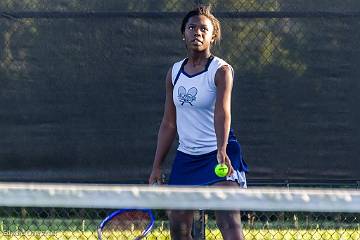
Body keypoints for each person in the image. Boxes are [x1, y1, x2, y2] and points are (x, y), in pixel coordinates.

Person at [149, 5, 248, 240]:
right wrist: (156, 166)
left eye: (204, 29)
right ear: (183, 33)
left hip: (219, 154)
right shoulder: (174, 72)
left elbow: (223, 112)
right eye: (192, 27)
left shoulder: (221, 71)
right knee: (178, 226)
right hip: (186, 158)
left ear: (213, 36)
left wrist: (222, 148)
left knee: (228, 221)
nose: (197, 32)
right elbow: (169, 123)